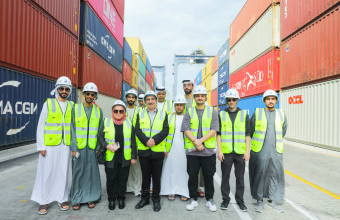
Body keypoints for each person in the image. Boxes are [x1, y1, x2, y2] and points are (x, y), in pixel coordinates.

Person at [31, 76, 74, 215]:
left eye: (67, 89)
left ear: (70, 91)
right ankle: (44, 200)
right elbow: (41, 125)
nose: (64, 91)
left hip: (65, 145)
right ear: (57, 89)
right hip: (49, 145)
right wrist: (41, 146)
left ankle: (62, 199)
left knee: (63, 172)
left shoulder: (72, 106)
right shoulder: (48, 104)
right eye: (61, 88)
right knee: (47, 172)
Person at [249, 90, 288, 213]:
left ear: (276, 100)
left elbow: (283, 130)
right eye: (268, 99)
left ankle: (272, 200)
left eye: (273, 98)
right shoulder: (257, 113)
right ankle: (259, 200)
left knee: (275, 175)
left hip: (276, 150)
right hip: (261, 149)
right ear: (264, 101)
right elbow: (251, 129)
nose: (270, 101)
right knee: (260, 174)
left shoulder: (281, 114)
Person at [181, 85, 219, 212]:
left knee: (209, 176)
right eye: (198, 96)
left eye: (202, 96)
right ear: (195, 98)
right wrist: (195, 142)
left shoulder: (212, 111)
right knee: (192, 176)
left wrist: (200, 141)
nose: (200, 98)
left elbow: (214, 130)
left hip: (208, 152)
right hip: (192, 151)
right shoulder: (189, 111)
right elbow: (186, 129)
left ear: (205, 97)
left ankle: (210, 199)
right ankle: (193, 199)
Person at [70, 82, 104, 210]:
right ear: (83, 94)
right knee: (78, 172)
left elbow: (101, 130)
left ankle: (91, 197)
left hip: (92, 148)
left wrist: (98, 148)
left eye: (93, 94)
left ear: (95, 96)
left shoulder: (98, 111)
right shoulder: (75, 108)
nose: (90, 96)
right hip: (78, 148)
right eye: (88, 94)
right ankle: (77, 198)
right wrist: (73, 148)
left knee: (91, 173)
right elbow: (71, 129)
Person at [98, 100, 137, 210]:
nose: (118, 113)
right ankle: (111, 199)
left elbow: (133, 141)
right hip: (111, 157)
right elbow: (100, 138)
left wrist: (134, 156)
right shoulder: (106, 122)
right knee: (111, 179)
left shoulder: (129, 122)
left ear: (124, 112)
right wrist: (106, 146)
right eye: (116, 111)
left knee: (122, 179)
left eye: (121, 111)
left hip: (125, 157)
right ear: (112, 111)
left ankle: (121, 199)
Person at [134, 90, 169, 212]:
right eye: (148, 99)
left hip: (157, 151)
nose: (150, 101)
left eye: (152, 99)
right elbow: (137, 130)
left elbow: (165, 130)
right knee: (145, 177)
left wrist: (154, 140)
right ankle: (144, 199)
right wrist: (146, 141)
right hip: (144, 151)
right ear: (145, 101)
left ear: (155, 101)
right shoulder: (140, 113)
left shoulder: (163, 114)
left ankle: (156, 199)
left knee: (156, 177)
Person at [217, 89, 251, 212]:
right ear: (226, 101)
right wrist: (219, 151)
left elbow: (248, 134)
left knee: (240, 178)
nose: (231, 102)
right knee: (225, 177)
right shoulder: (221, 114)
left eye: (233, 99)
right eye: (229, 100)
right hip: (226, 152)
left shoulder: (244, 114)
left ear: (237, 100)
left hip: (240, 152)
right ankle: (225, 200)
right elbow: (219, 134)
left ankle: (240, 201)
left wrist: (247, 151)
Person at [160, 95, 189, 201]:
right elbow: (164, 133)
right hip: (171, 148)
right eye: (177, 105)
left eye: (181, 105)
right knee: (170, 169)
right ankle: (170, 190)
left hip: (184, 148)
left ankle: (183, 191)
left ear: (184, 106)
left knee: (184, 170)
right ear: (174, 106)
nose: (179, 107)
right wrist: (164, 148)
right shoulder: (169, 117)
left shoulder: (188, 116)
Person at [182, 79, 205, 198]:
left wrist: (199, 140)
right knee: (187, 165)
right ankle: (186, 188)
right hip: (183, 136)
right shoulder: (181, 100)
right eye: (185, 85)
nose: (186, 87)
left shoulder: (197, 99)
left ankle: (198, 187)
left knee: (199, 165)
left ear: (192, 86)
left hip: (198, 138)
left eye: (188, 85)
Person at [125, 89, 143, 196]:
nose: (131, 99)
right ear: (126, 98)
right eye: (129, 97)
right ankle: (128, 187)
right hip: (126, 143)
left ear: (135, 99)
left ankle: (137, 188)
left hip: (137, 142)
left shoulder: (140, 111)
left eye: (133, 97)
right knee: (127, 166)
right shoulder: (122, 110)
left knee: (137, 167)